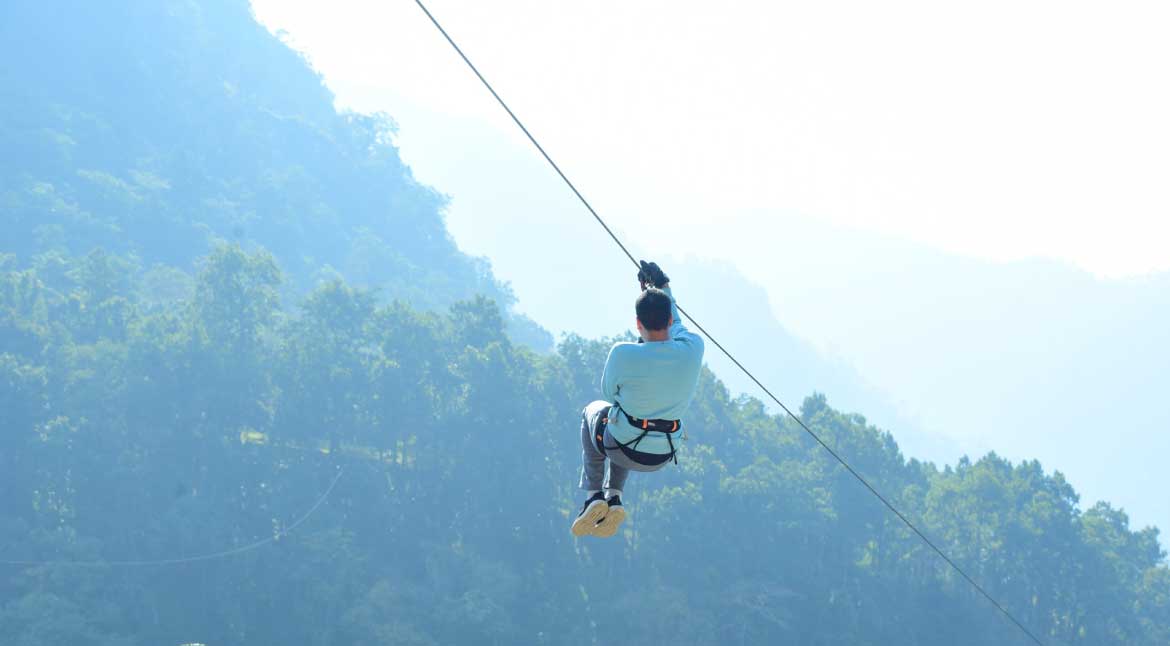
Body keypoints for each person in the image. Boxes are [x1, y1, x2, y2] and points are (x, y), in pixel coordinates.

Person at [571, 260, 705, 538]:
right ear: (669, 320)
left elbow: (609, 394)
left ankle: (594, 494)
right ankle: (614, 496)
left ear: (637, 323)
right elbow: (678, 325)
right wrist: (664, 287)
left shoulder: (623, 353)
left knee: (599, 412)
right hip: (663, 453)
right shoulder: (693, 348)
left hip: (621, 446)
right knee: (627, 417)